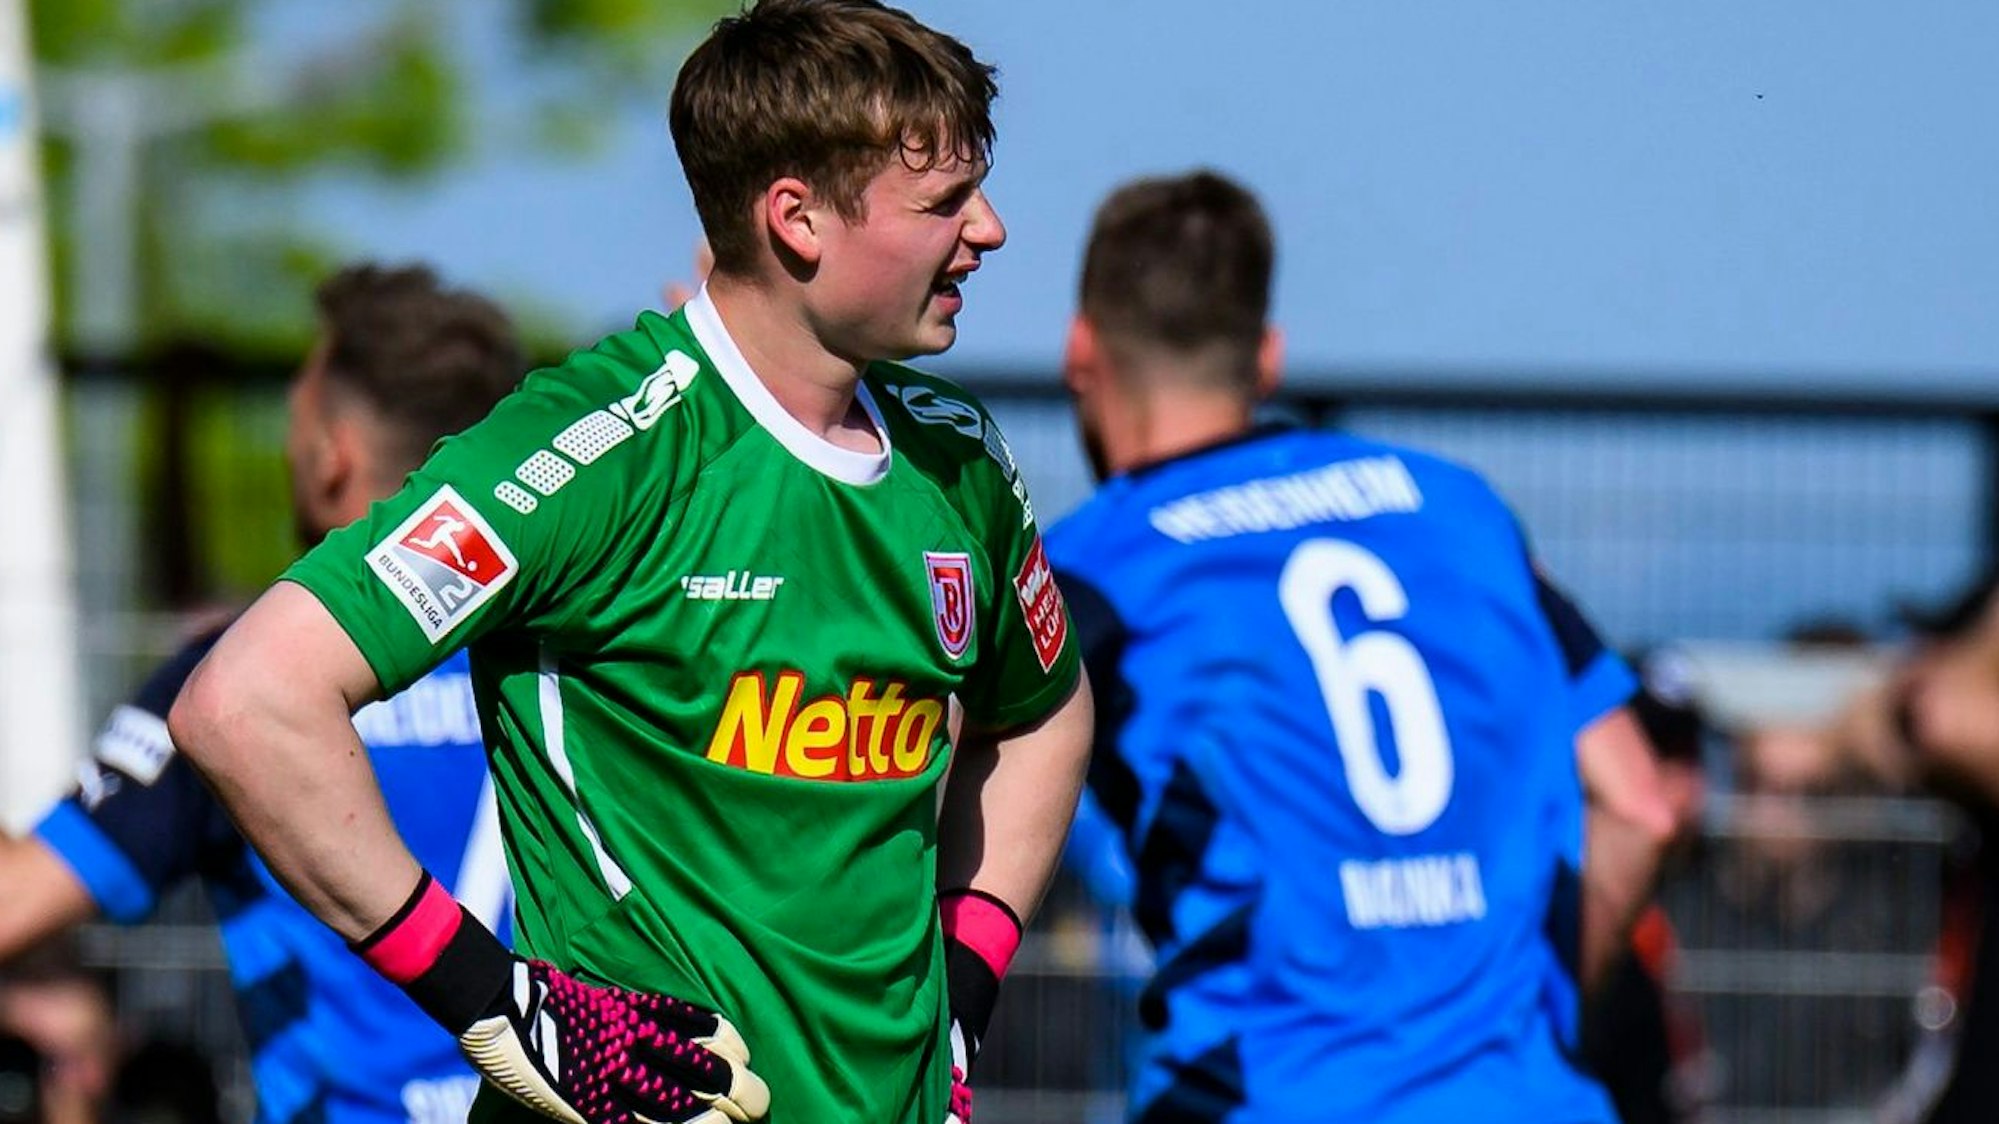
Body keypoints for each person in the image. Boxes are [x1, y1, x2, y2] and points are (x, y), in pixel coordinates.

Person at [166, 3, 1092, 1123]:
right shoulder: (589, 451)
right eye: (943, 201)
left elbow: (1041, 710)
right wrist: (495, 1001)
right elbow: (246, 700)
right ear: (796, 219)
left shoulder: (959, 458)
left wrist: (968, 984)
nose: (988, 230)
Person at [1043, 170, 1674, 1123]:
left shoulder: (1092, 569)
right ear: (1268, 357)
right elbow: (1637, 802)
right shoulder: (1456, 509)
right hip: (1524, 1098)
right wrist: (1510, 1028)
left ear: (1080, 349)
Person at [0, 262, 526, 1124]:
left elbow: (15, 901)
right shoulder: (583, 660)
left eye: (293, 424)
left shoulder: (240, 687)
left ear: (331, 458)